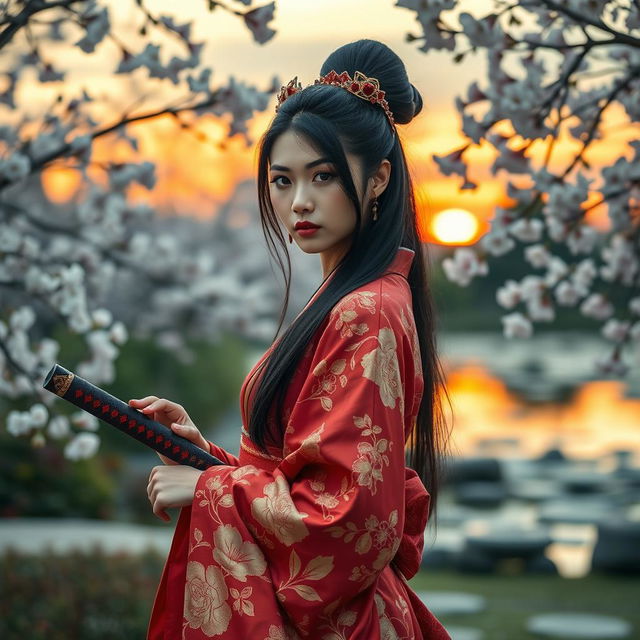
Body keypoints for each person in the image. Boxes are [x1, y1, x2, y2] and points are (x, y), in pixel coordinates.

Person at [131, 38, 452, 640]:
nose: (298, 202)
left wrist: (212, 489)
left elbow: (345, 516)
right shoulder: (351, 298)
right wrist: (208, 457)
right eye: (282, 180)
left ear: (379, 177)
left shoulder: (367, 310)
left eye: (322, 176)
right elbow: (306, 473)